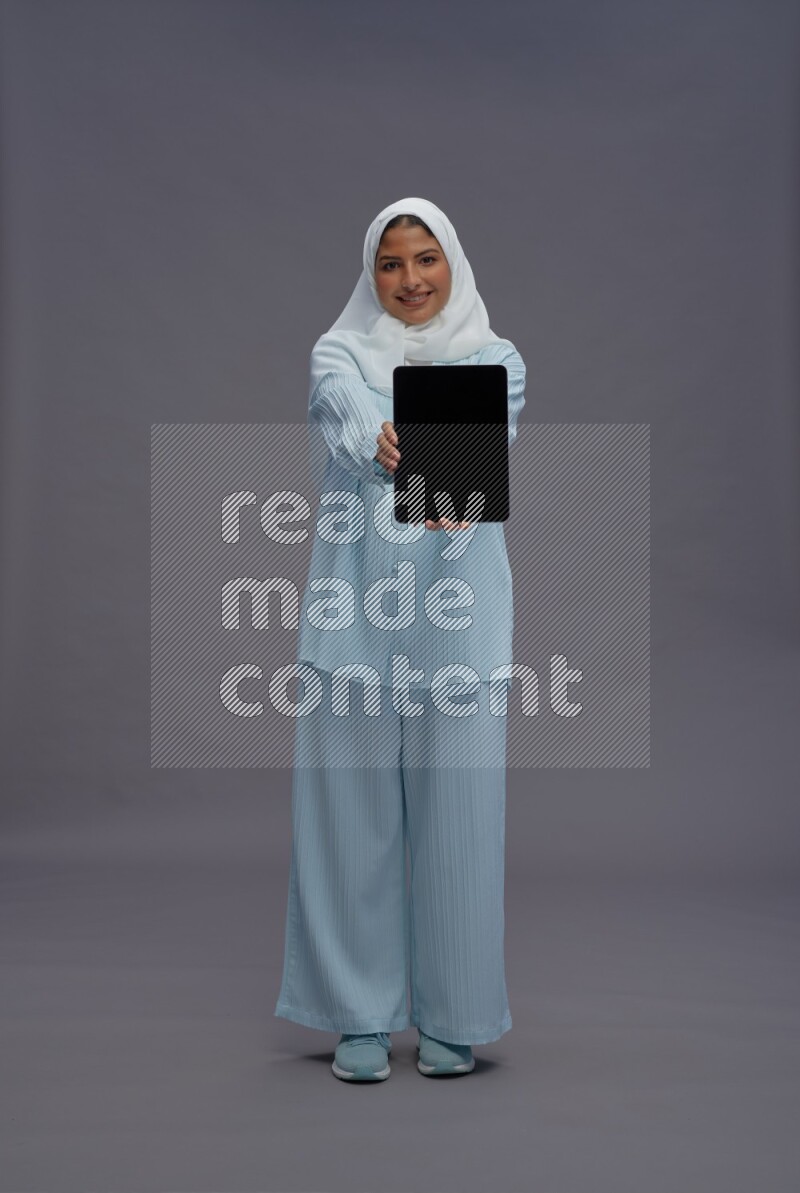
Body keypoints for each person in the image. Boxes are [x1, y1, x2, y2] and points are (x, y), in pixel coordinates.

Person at [274, 197, 526, 1081]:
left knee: (462, 823)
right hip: (352, 621)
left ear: (452, 263)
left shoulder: (495, 360)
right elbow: (343, 414)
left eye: (426, 259)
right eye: (390, 263)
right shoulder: (340, 352)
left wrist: (433, 459)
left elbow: (470, 467)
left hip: (459, 623)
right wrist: (374, 439)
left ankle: (455, 1014)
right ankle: (359, 1015)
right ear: (370, 274)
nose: (410, 279)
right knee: (348, 821)